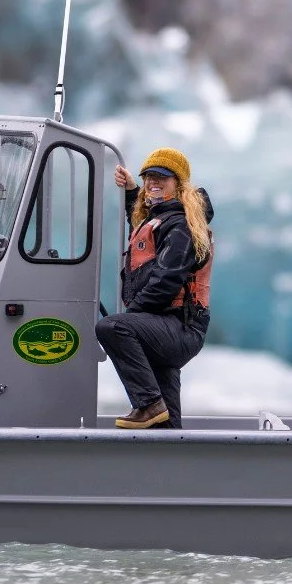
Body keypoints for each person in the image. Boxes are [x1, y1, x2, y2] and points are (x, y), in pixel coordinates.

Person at [95, 147, 214, 430]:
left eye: (162, 177)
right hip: (161, 325)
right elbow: (142, 233)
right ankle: (169, 458)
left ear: (180, 185)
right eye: (148, 177)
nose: (153, 182)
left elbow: (165, 281)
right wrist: (131, 191)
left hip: (179, 328)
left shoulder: (182, 226)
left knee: (112, 328)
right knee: (166, 426)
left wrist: (130, 317)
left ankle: (148, 403)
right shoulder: (161, 219)